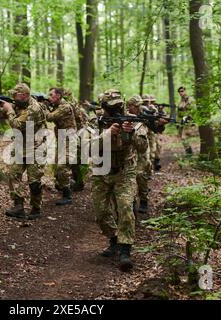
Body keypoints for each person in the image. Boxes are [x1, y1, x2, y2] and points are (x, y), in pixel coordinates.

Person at [90, 89, 148, 271]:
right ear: (103, 107)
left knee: (125, 208)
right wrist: (107, 133)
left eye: (119, 106)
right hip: (101, 170)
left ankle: (125, 249)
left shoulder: (131, 121)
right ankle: (114, 238)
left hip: (125, 172)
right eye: (111, 107)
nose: (116, 110)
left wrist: (129, 133)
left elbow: (143, 148)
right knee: (101, 213)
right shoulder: (94, 121)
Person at [0, 83, 47, 220]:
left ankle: (36, 207)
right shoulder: (20, 104)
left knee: (34, 181)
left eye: (15, 95)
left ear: (25, 96)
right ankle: (18, 206)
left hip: (35, 148)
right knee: (12, 175)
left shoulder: (34, 108)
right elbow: (2, 115)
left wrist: (9, 109)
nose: (13, 98)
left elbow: (15, 124)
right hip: (20, 146)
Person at [46, 87, 77, 205]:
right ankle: (67, 184)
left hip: (70, 140)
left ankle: (67, 195)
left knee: (62, 166)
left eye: (51, 95)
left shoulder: (64, 107)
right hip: (62, 140)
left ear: (58, 96)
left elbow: (49, 117)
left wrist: (43, 106)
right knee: (58, 167)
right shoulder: (57, 106)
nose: (49, 97)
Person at [126, 95, 151, 216]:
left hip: (141, 148)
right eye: (134, 106)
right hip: (129, 150)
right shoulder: (125, 114)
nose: (137, 108)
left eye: (137, 106)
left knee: (141, 175)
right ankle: (131, 204)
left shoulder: (144, 114)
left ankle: (144, 200)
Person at [177, 86, 195, 155]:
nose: (181, 93)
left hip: (188, 121)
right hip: (181, 122)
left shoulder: (189, 99)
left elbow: (193, 110)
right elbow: (179, 113)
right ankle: (188, 152)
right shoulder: (181, 101)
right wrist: (178, 123)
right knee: (182, 138)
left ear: (185, 91)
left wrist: (189, 118)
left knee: (184, 137)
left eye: (182, 91)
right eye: (179, 92)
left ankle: (190, 154)